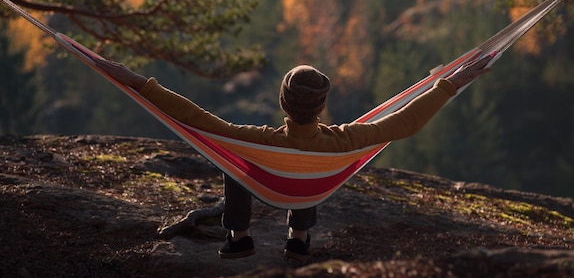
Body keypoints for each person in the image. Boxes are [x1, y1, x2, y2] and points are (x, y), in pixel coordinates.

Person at [93, 55, 491, 261]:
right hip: (306, 194)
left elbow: (193, 116)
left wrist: (137, 81)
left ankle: (240, 237)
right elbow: (404, 121)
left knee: (237, 161)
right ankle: (298, 240)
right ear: (322, 106)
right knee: (309, 172)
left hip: (264, 183)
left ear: (283, 101)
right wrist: (451, 83)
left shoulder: (254, 139)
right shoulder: (342, 140)